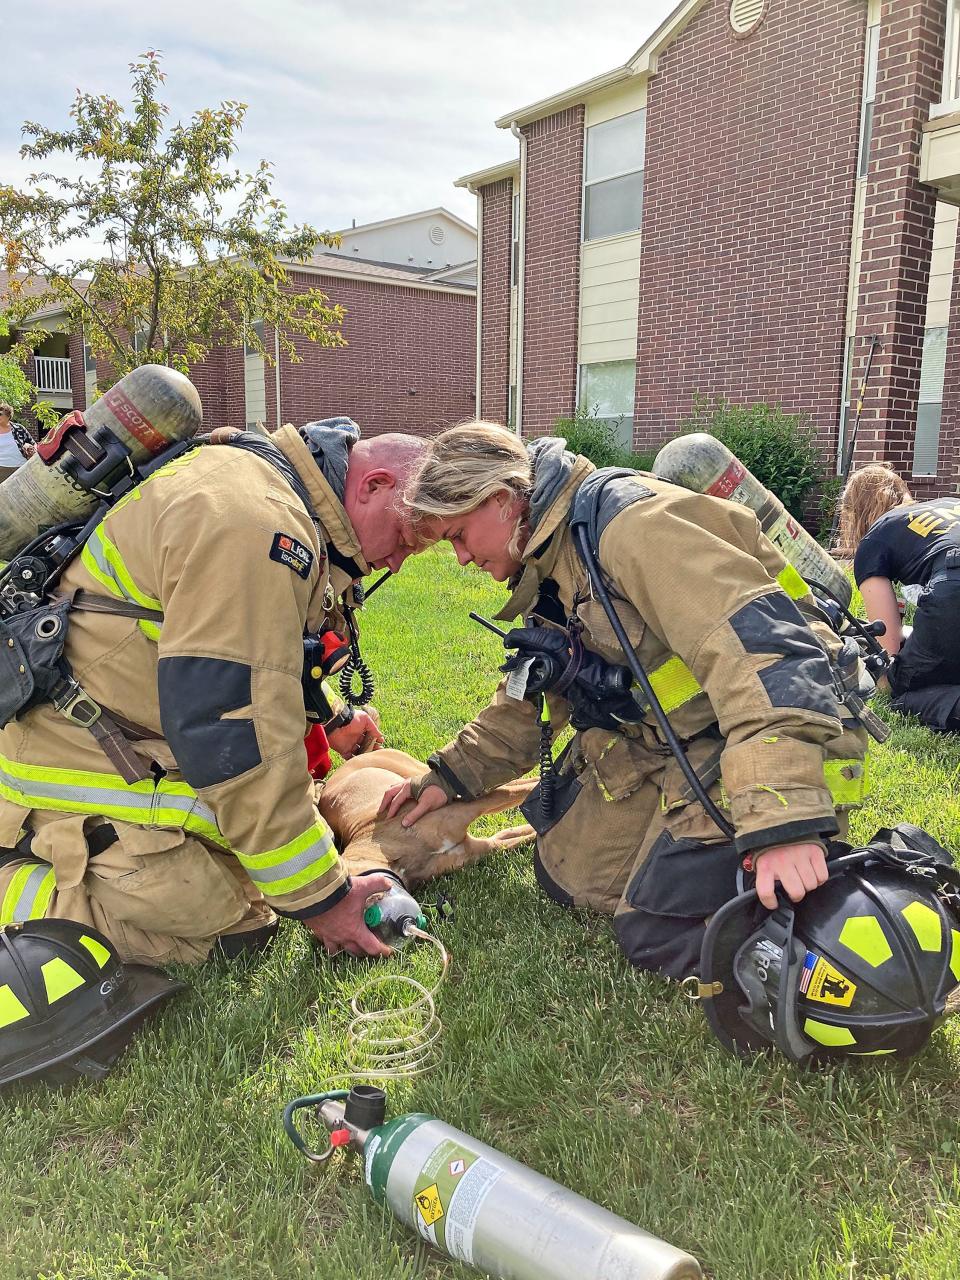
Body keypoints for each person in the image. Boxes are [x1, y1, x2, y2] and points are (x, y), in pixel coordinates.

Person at [382, 423, 869, 980]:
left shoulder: (635, 530)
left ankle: (840, 892)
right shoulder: (551, 559)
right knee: (567, 876)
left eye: (459, 536)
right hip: (680, 737)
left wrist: (785, 821)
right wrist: (449, 776)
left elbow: (765, 659)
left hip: (773, 731)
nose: (462, 558)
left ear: (500, 500)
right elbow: (526, 703)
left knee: (659, 932)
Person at [0, 416, 428, 965]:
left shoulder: (270, 492)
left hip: (135, 746)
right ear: (374, 485)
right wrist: (325, 901)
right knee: (225, 925)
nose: (394, 562)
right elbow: (234, 729)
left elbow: (259, 659)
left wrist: (333, 717)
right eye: (405, 542)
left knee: (266, 870)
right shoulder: (257, 522)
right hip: (67, 769)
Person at [836, 463, 960, 732]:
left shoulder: (877, 536)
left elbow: (887, 651)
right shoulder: (949, 503)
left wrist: (888, 672)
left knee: (897, 689)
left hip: (954, 587)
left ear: (857, 514)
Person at [0, 402, 34, 482]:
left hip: (21, 468)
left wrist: (29, 448)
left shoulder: (18, 428)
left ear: (8, 415)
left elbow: (33, 443)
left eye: (0, 414)